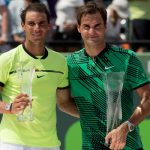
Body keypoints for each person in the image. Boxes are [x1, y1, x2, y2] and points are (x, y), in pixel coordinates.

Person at [67, 2, 150, 150]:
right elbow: (62, 101)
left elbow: (148, 98)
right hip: (90, 146)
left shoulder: (127, 58)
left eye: (97, 26)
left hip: (128, 146)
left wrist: (127, 126)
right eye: (86, 26)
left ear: (105, 27)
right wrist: (90, 116)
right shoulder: (71, 63)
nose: (92, 31)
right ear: (78, 28)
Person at [0, 3, 77, 150]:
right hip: (12, 143)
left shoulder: (60, 62)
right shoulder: (6, 59)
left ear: (49, 26)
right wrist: (10, 107)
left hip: (49, 144)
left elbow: (64, 102)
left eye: (41, 23)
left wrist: (92, 115)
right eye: (31, 23)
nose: (36, 28)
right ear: (23, 25)